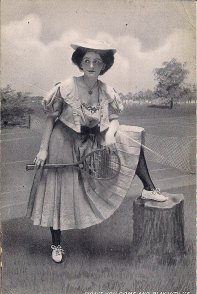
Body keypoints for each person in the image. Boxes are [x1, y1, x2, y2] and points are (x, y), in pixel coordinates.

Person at [26, 39, 168, 264]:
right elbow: (51, 119)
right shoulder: (66, 87)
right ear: (80, 63)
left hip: (91, 140)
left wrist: (111, 134)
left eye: (97, 61)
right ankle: (56, 245)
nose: (91, 65)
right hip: (62, 141)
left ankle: (149, 189)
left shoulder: (107, 90)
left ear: (104, 66)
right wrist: (43, 150)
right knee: (59, 191)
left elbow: (113, 119)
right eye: (87, 60)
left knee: (132, 136)